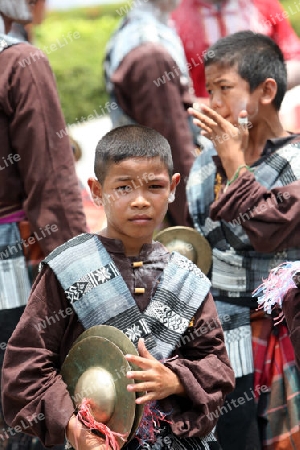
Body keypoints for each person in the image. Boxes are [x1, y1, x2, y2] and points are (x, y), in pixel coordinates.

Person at [1, 125, 235, 450]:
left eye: (154, 186)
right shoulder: (69, 268)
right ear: (97, 191)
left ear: (173, 187)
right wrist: (72, 428)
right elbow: (25, 367)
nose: (140, 200)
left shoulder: (188, 278)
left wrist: (176, 380)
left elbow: (217, 365)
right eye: (123, 187)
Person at [186, 31, 300, 450]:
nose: (213, 103)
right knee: (234, 437)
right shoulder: (204, 162)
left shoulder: (294, 161)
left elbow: (266, 229)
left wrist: (234, 160)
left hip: (281, 330)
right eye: (209, 89)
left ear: (267, 90)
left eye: (225, 88)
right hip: (221, 336)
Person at [0, 1, 87, 449]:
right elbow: (51, 185)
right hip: (10, 270)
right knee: (24, 404)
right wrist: (83, 280)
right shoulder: (20, 63)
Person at [104, 0, 198, 227]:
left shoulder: (136, 29)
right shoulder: (149, 50)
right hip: (160, 209)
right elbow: (170, 146)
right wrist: (192, 223)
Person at [171, 0, 300, 102]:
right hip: (203, 124)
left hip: (261, 120)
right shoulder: (173, 13)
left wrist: (258, 86)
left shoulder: (263, 5)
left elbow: (295, 61)